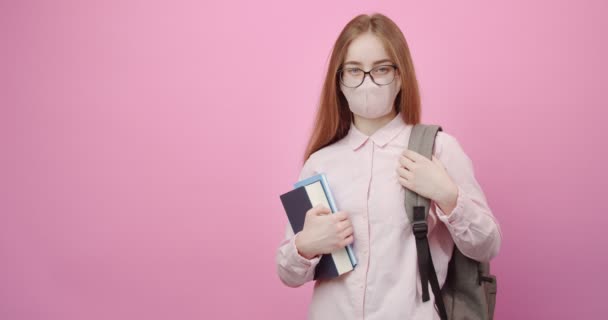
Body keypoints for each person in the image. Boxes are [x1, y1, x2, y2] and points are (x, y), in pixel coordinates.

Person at [275, 12, 502, 320]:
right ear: (339, 80)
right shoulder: (320, 163)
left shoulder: (438, 149)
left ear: (400, 75)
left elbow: (487, 245)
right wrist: (306, 245)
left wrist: (448, 196)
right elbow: (288, 274)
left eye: (381, 68)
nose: (367, 81)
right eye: (354, 70)